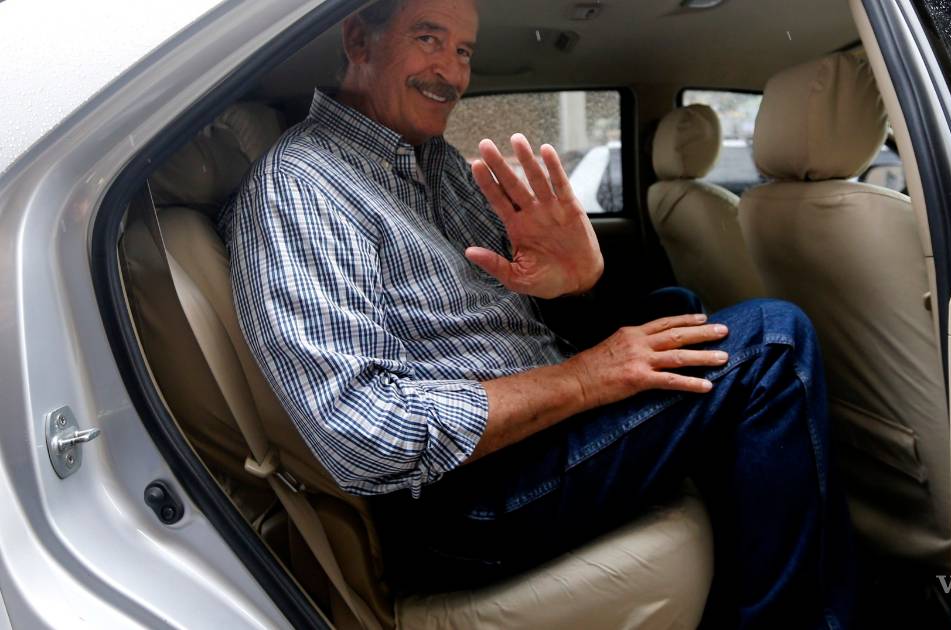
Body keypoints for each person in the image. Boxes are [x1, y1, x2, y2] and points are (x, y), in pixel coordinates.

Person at [219, 0, 853, 626]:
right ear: (359, 40)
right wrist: (586, 378)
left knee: (677, 311)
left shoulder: (431, 162)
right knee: (772, 343)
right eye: (429, 39)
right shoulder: (299, 188)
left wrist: (577, 287)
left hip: (523, 438)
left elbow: (511, 308)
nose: (452, 72)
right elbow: (363, 435)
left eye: (463, 50)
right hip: (461, 499)